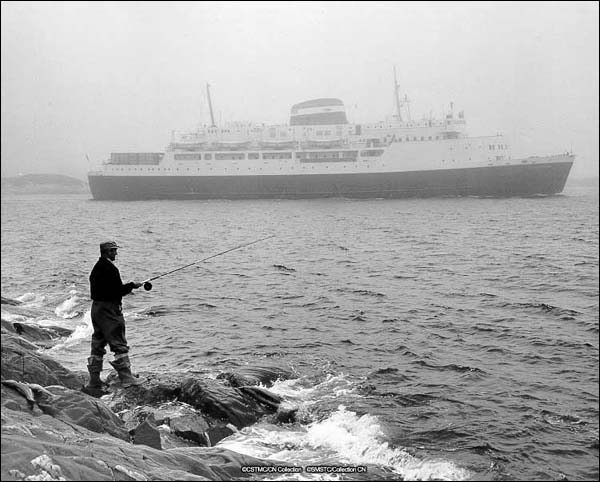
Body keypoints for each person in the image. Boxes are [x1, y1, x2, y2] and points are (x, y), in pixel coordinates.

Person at [85, 241, 143, 390]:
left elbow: (107, 290)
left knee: (98, 343)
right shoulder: (110, 269)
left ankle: (94, 381)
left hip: (96, 309)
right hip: (109, 310)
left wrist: (129, 286)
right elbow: (117, 291)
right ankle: (127, 378)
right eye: (114, 251)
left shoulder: (97, 268)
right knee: (118, 342)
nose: (116, 253)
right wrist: (132, 285)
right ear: (108, 252)